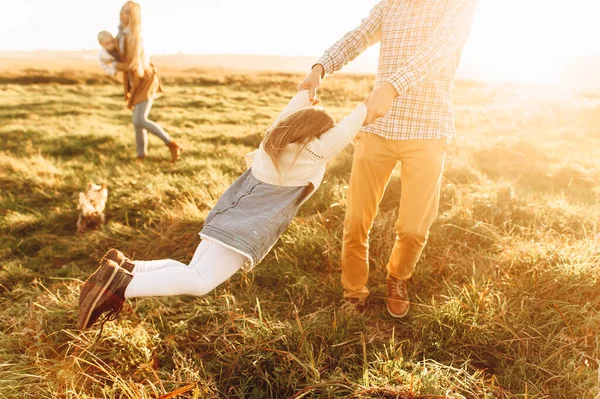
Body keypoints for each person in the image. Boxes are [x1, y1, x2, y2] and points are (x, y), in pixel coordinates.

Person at [77, 90, 367, 330]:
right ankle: (118, 286)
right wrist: (370, 104)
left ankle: (127, 267)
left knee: (191, 271)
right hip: (244, 230)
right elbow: (348, 127)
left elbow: (290, 111)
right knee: (199, 282)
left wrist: (307, 92)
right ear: (315, 136)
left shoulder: (273, 139)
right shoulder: (309, 156)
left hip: (225, 216)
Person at [297, 0, 477, 317]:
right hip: (378, 128)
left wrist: (391, 87)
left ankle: (398, 277)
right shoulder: (391, 5)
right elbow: (358, 36)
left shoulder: (458, 5)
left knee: (412, 229)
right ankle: (354, 291)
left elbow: (436, 53)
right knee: (356, 222)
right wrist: (319, 68)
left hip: (427, 131)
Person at [114, 1, 182, 162]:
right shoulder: (120, 34)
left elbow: (132, 64)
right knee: (137, 121)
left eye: (126, 12)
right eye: (121, 11)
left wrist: (115, 66)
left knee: (139, 119)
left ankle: (171, 143)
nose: (122, 15)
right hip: (134, 79)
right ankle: (141, 155)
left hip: (144, 79)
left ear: (133, 16)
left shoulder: (135, 36)